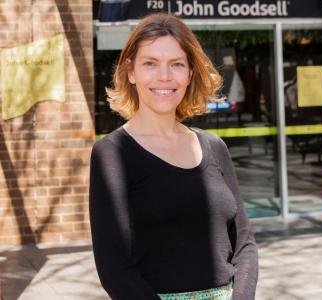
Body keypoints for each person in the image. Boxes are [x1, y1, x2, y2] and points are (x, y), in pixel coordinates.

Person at [89, 13, 258, 300]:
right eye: (150, 63)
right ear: (130, 71)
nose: (164, 76)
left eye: (176, 64)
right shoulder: (113, 153)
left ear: (190, 73)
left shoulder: (214, 146)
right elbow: (114, 267)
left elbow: (244, 244)